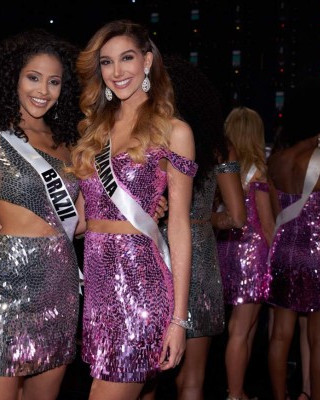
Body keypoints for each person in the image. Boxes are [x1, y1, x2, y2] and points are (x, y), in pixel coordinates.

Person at [68, 20, 197, 400]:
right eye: (106, 63)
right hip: (97, 293)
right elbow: (79, 220)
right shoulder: (95, 132)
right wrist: (16, 225)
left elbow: (179, 229)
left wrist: (179, 319)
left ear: (146, 61)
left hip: (142, 290)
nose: (117, 71)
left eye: (126, 58)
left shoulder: (174, 131)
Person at [0, 29, 85, 400]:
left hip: (59, 294)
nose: (43, 90)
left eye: (54, 81)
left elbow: (83, 223)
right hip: (3, 295)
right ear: (13, 77)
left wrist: (153, 205)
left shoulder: (70, 147)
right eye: (33, 77)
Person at [153, 55, 247, 400]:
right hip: (200, 256)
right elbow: (237, 217)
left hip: (153, 252)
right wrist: (206, 220)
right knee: (192, 379)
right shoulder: (221, 147)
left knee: (144, 375)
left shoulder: (152, 143)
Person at [266, 85, 320, 400]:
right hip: (318, 255)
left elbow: (277, 216)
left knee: (279, 335)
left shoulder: (276, 161)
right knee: (319, 339)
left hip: (284, 253)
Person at [216, 106, 274, 400]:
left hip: (224, 249)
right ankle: (235, 394)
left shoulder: (220, 168)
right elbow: (266, 224)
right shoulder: (258, 172)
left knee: (241, 328)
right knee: (242, 328)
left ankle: (238, 389)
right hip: (252, 254)